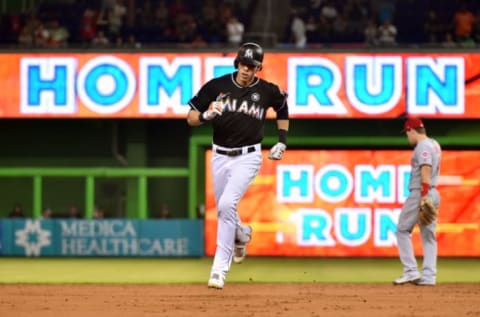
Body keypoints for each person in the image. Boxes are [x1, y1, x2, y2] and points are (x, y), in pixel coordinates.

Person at [186, 42, 289, 289]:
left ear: (258, 68)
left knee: (224, 205)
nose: (246, 69)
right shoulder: (217, 86)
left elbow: (283, 107)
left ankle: (219, 270)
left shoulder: (266, 91)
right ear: (237, 63)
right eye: (243, 64)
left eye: (252, 66)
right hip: (219, 155)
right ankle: (241, 233)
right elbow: (189, 118)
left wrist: (282, 141)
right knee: (226, 209)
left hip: (248, 156)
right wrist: (205, 116)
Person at [394, 118, 441, 286]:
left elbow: (426, 167)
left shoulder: (423, 146)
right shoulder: (434, 143)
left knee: (402, 230)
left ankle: (410, 271)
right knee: (428, 235)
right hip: (434, 191)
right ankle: (429, 277)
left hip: (421, 191)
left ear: (411, 130)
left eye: (407, 134)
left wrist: (423, 195)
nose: (408, 138)